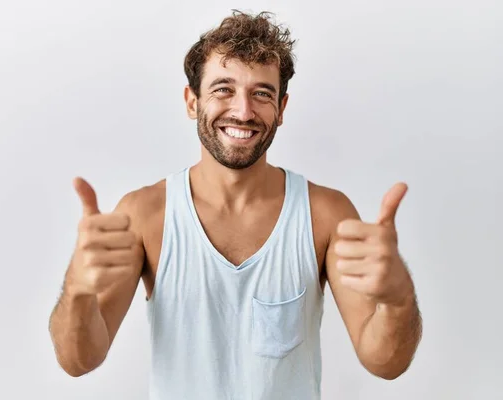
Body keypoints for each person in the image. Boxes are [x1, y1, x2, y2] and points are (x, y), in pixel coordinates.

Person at [48, 10, 422, 400]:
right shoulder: (145, 214)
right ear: (192, 101)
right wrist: (77, 288)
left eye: (261, 93)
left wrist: (398, 299)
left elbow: (386, 363)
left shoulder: (325, 214)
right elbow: (79, 361)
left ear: (281, 109)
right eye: (223, 89)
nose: (243, 111)